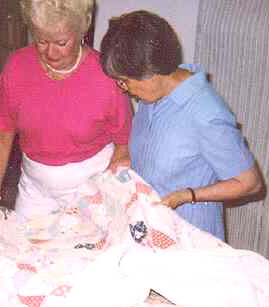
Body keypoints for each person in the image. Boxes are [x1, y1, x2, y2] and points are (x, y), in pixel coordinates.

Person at [99, 10, 264, 240]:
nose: (122, 89)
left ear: (151, 73)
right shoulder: (153, 96)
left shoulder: (206, 114)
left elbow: (250, 183)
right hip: (150, 228)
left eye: (124, 82)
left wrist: (188, 195)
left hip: (188, 236)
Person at [0, 0, 132, 227]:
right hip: (35, 188)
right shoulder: (17, 66)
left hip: (91, 187)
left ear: (81, 31)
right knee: (26, 250)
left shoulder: (105, 75)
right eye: (42, 41)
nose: (51, 53)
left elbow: (123, 146)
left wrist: (108, 194)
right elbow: (4, 133)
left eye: (61, 42)